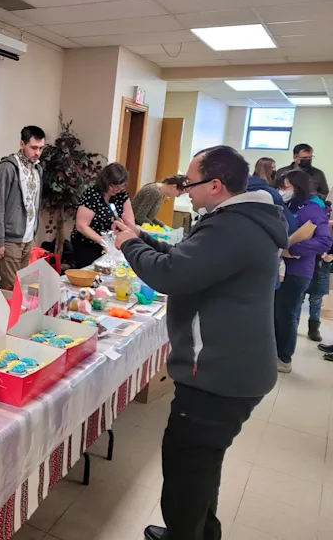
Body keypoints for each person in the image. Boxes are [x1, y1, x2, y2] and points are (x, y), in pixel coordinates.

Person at [112, 145, 287, 540]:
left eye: (190, 184)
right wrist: (142, 237)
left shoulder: (232, 226)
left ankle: (185, 533)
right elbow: (186, 258)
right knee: (203, 465)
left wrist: (128, 246)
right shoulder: (242, 219)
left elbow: (172, 275)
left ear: (215, 185)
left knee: (185, 473)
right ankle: (200, 532)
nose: (185, 191)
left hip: (218, 375)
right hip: (233, 369)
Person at [275, 170, 332, 372]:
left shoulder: (313, 209)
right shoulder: (286, 206)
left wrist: (294, 249)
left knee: (287, 315)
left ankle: (284, 358)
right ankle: (272, 354)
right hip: (277, 269)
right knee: (274, 314)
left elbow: (324, 240)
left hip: (297, 271)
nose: (283, 190)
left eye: (286, 186)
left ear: (296, 186)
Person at [0, 126, 45, 289]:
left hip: (27, 237)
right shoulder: (7, 169)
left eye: (41, 148)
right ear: (22, 144)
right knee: (11, 288)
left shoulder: (37, 169)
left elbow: (34, 202)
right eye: (33, 148)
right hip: (10, 239)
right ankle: (5, 315)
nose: (37, 153)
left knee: (22, 288)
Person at [71, 163, 134, 268]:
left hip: (113, 243)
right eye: (114, 186)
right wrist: (104, 243)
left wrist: (123, 230)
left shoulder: (122, 195)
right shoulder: (92, 194)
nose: (117, 190)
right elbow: (81, 226)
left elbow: (130, 223)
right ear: (105, 181)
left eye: (121, 186)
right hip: (88, 243)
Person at [248, 157, 296, 232]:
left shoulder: (270, 183)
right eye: (272, 168)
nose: (274, 170)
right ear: (265, 169)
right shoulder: (262, 188)